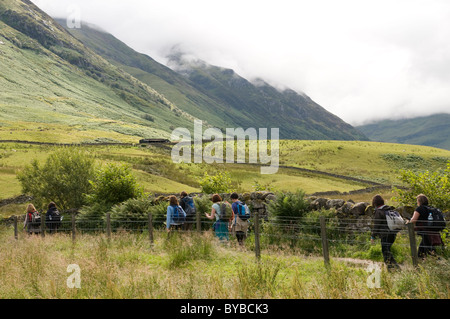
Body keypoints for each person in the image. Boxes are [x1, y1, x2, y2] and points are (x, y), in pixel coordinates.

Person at [407, 194, 444, 258]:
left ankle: (426, 261)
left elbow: (413, 220)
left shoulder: (420, 208)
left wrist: (408, 221)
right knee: (428, 247)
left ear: (419, 201)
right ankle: (433, 260)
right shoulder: (432, 208)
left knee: (424, 248)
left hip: (425, 231)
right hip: (433, 231)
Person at [370, 194, 400, 271]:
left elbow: (376, 225)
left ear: (375, 203)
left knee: (385, 251)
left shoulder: (379, 211)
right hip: (393, 233)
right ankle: (393, 267)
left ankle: (393, 268)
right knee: (387, 250)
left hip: (385, 234)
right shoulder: (389, 209)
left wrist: (373, 236)